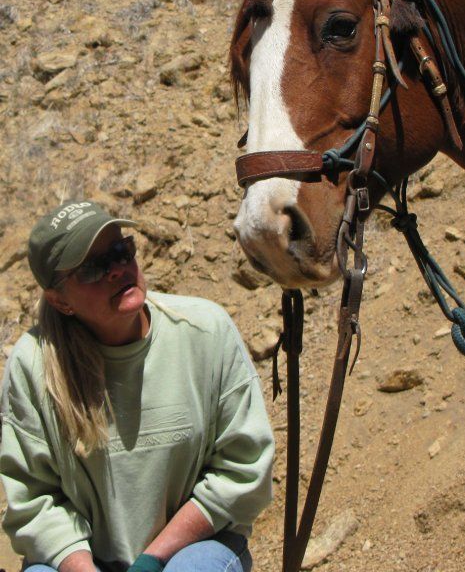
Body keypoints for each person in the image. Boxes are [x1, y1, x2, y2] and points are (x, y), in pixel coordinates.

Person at [0, 200, 274, 572]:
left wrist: (150, 560)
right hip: (84, 561)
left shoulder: (205, 332)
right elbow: (34, 499)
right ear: (60, 301)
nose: (117, 270)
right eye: (92, 268)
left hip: (192, 547)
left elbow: (242, 470)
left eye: (121, 251)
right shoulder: (34, 365)